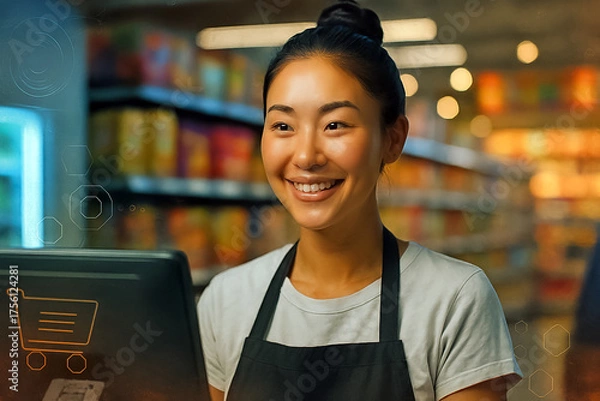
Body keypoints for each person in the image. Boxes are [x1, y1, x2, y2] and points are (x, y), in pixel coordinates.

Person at [198, 1, 522, 400]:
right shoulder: (226, 299)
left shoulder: (454, 300)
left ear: (392, 139)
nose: (305, 156)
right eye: (283, 125)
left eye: (335, 125)